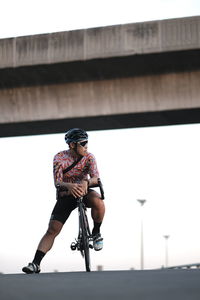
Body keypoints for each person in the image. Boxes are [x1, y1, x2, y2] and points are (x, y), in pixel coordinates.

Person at [22, 128, 105, 274]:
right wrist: (69, 185)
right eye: (83, 143)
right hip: (66, 194)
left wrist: (86, 182)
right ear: (72, 145)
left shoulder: (90, 157)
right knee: (52, 229)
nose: (86, 146)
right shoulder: (59, 157)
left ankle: (96, 232)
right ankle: (35, 264)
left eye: (87, 143)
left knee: (98, 201)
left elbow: (96, 178)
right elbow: (58, 182)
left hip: (84, 191)